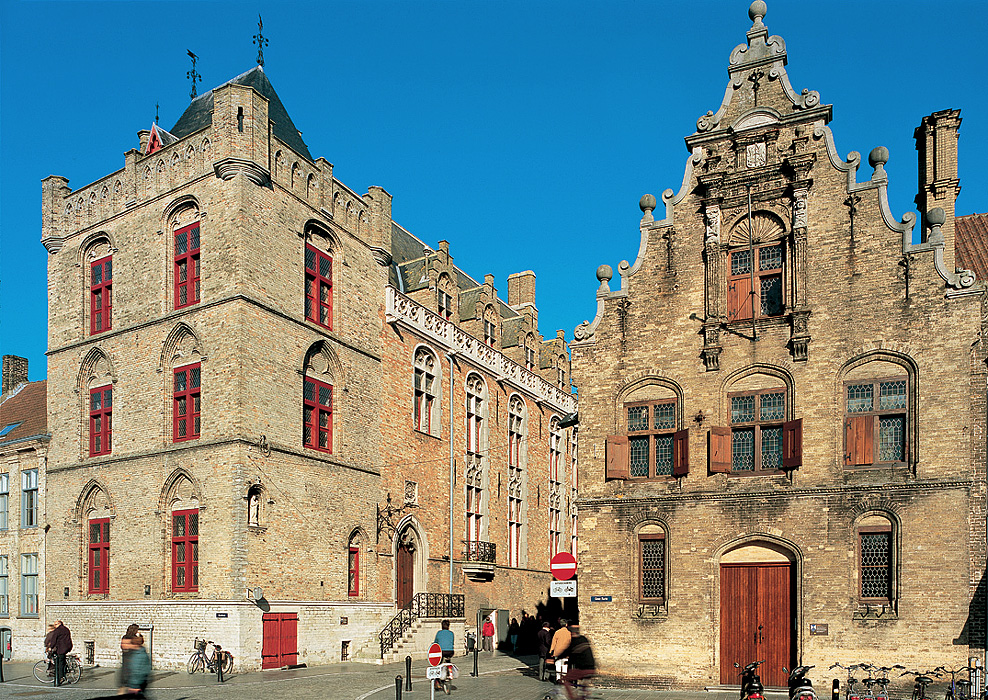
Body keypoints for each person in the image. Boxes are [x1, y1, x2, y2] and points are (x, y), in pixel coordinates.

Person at [560, 624, 596, 700]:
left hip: (583, 668)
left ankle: (572, 698)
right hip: (592, 667)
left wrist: (557, 659)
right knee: (584, 684)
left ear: (572, 633)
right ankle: (583, 696)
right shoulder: (584, 638)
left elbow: (568, 652)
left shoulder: (574, 641)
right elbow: (580, 654)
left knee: (566, 680)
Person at [119, 628, 151, 696]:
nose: (123, 645)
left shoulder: (138, 655)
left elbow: (137, 670)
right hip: (128, 683)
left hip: (133, 686)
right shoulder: (133, 653)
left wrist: (134, 685)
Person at [433, 619, 455, 691]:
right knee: (448, 660)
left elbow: (436, 642)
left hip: (441, 651)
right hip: (450, 651)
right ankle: (449, 671)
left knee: (438, 664)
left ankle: (437, 682)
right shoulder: (451, 633)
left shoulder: (439, 633)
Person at [50, 620, 73, 686]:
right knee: (62, 660)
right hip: (68, 647)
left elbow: (54, 640)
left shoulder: (57, 630)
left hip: (61, 648)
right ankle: (65, 670)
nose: (55, 626)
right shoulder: (66, 629)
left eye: (55, 624)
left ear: (59, 624)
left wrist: (51, 647)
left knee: (59, 663)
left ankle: (61, 677)